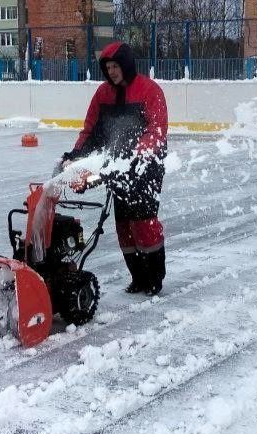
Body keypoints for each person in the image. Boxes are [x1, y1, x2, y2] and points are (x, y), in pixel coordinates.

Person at [60, 42, 168, 296]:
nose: (112, 72)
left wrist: (133, 157)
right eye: (108, 67)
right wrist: (75, 157)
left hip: (146, 168)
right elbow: (91, 132)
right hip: (117, 169)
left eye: (116, 66)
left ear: (126, 66)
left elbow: (156, 132)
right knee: (124, 225)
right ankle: (138, 277)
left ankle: (154, 278)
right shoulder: (103, 95)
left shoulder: (149, 91)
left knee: (143, 223)